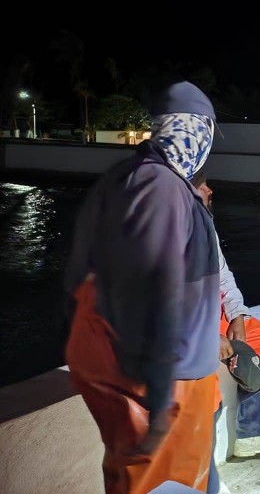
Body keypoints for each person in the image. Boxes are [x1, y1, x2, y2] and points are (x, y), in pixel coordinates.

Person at [64, 81, 221, 493]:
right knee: (162, 483)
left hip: (153, 374)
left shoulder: (125, 176)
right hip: (171, 384)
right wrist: (156, 398)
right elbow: (158, 292)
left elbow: (76, 277)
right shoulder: (162, 187)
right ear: (197, 131)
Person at [190, 173, 260, 493]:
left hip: (220, 318)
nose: (210, 189)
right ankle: (199, 478)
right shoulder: (168, 234)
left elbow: (225, 280)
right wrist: (209, 337)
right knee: (209, 395)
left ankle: (254, 434)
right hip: (195, 328)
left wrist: (237, 315)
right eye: (201, 184)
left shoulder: (206, 226)